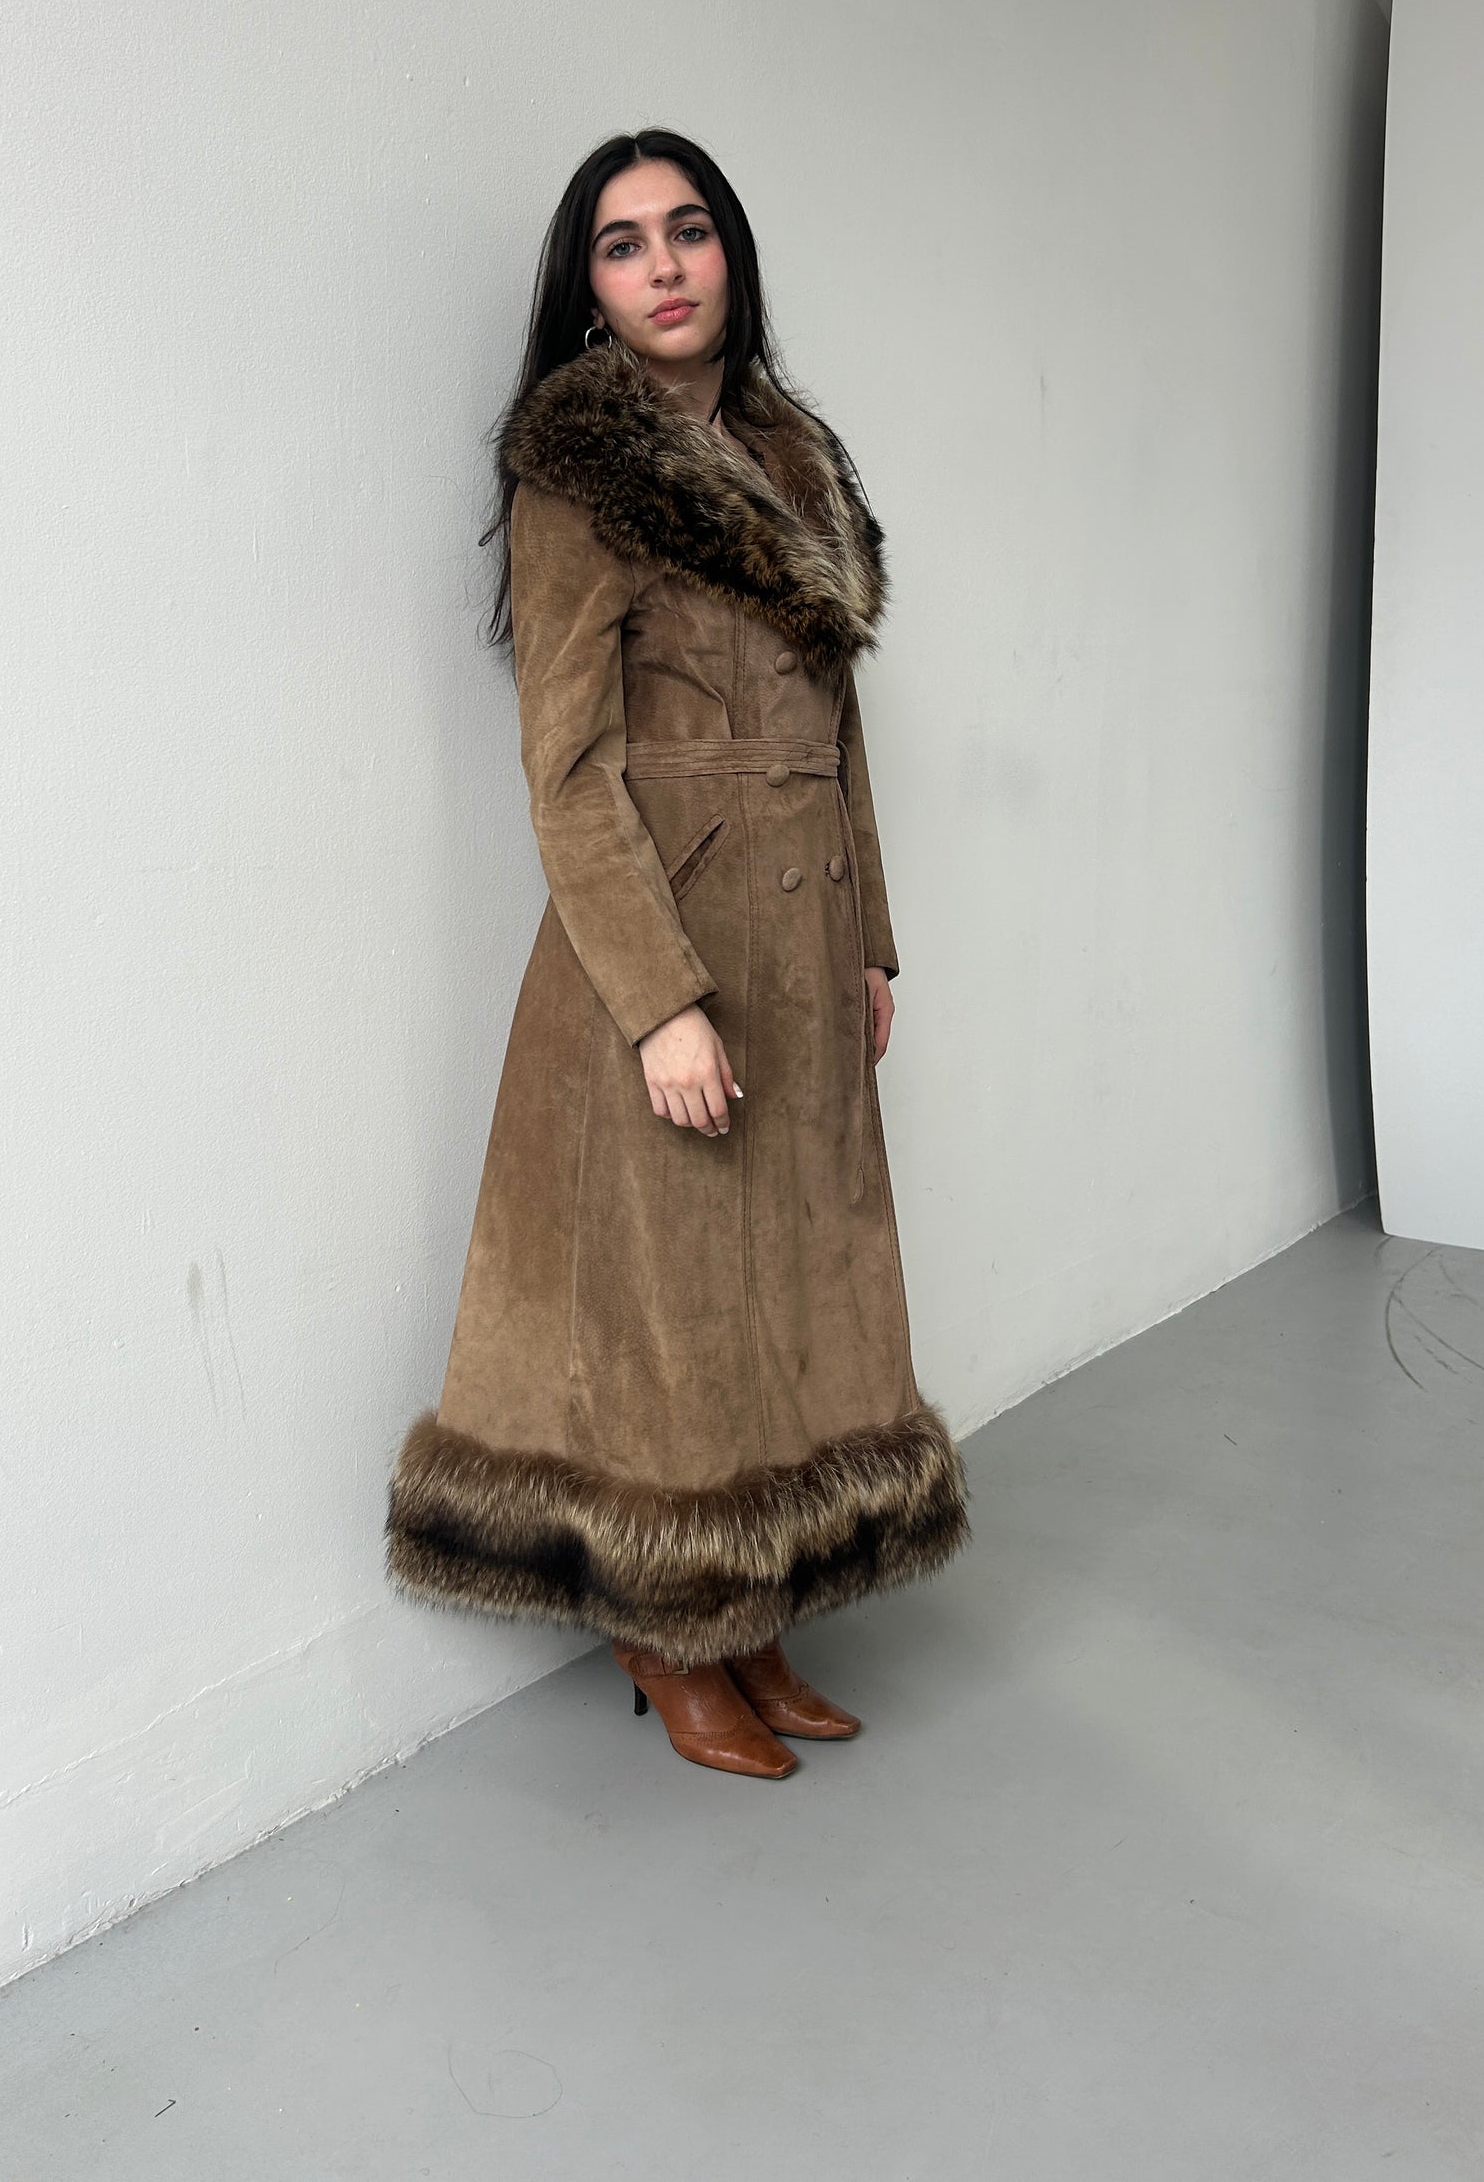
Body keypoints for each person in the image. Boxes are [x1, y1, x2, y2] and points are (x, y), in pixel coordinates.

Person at [386, 128, 968, 1779]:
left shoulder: (795, 455)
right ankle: (667, 1627)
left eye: (687, 230)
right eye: (623, 242)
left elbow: (836, 728)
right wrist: (658, 1005)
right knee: (668, 1304)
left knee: (788, 1281)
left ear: (730, 256)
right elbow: (566, 768)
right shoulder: (579, 467)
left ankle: (754, 1602)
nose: (662, 266)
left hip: (805, 935)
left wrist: (869, 941)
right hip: (668, 935)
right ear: (588, 288)